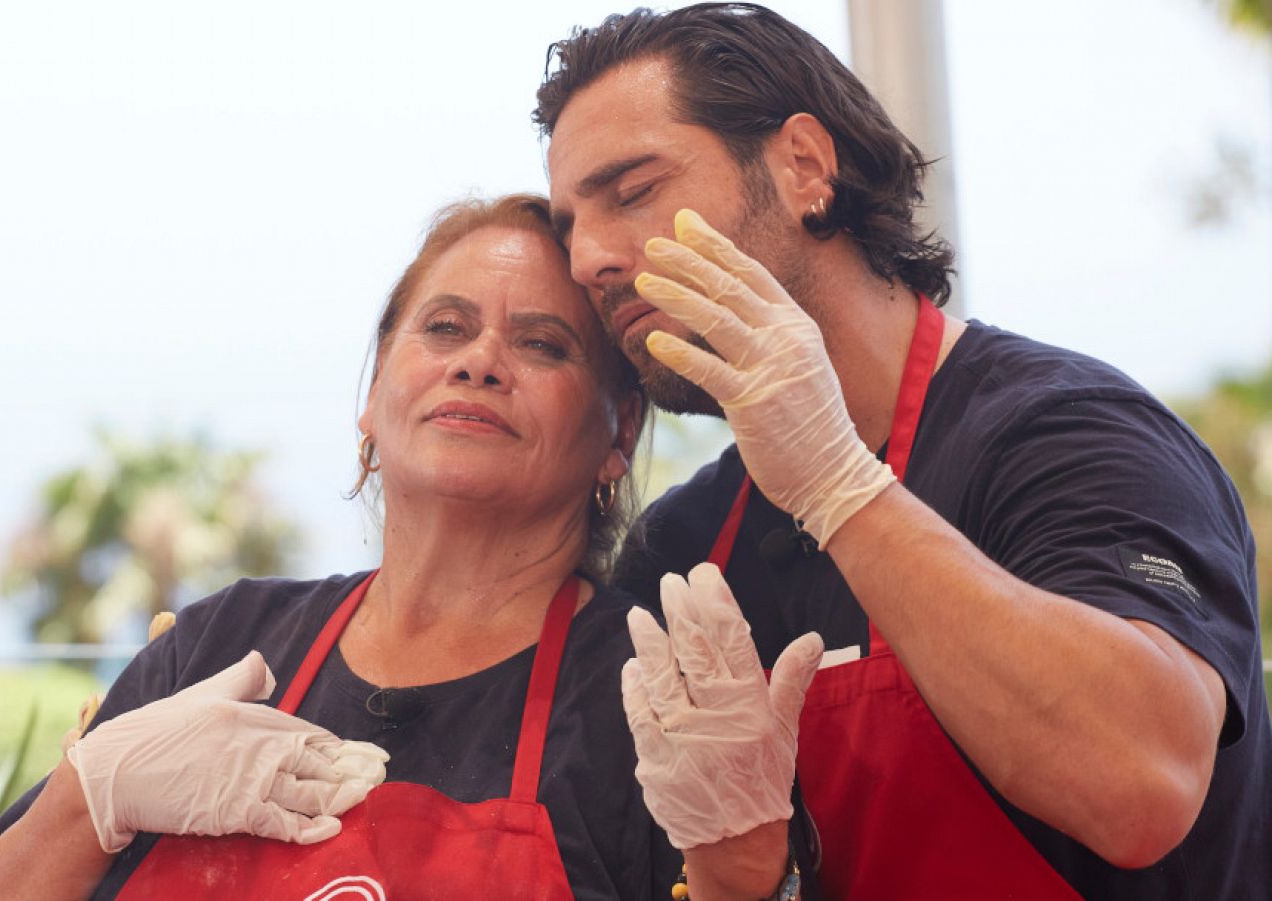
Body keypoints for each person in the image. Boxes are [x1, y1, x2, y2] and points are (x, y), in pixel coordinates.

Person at [534, 4, 1271, 899]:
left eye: (634, 190)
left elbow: (1143, 784)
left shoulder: (1070, 431)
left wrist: (842, 486)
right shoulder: (683, 550)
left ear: (804, 165)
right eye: (571, 223)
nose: (590, 259)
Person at [0, 194, 691, 899]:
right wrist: (87, 796)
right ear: (373, 394)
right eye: (445, 328)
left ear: (618, 432)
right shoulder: (218, 646)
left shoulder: (652, 700)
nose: (480, 360)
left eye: (542, 343)